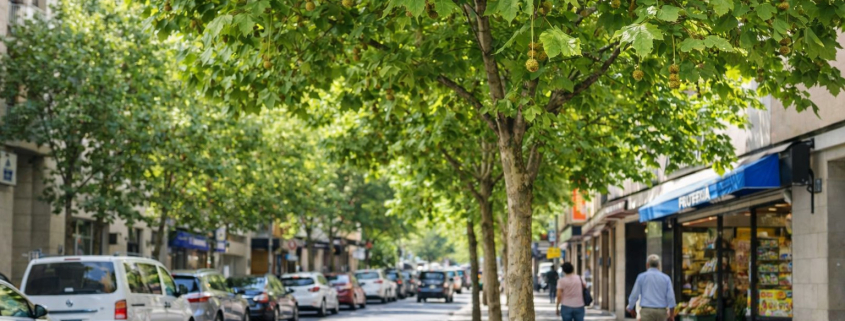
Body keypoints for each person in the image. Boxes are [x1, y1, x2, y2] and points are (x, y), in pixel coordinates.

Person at [627, 254, 676, 321]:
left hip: (646, 312)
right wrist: (671, 315)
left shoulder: (641, 277)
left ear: (647, 265)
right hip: (661, 312)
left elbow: (634, 295)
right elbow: (671, 297)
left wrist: (630, 307)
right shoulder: (666, 278)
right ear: (658, 265)